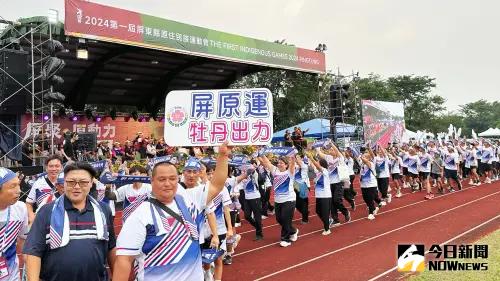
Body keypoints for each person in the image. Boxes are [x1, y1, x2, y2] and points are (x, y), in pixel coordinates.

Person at [112, 143, 231, 281]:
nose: (168, 183)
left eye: (172, 179)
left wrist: (223, 155)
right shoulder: (140, 215)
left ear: (178, 179)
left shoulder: (190, 199)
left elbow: (217, 184)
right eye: (162, 179)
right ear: (152, 181)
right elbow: (124, 260)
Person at [24, 162, 116, 281]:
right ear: (64, 183)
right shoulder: (46, 211)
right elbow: (33, 252)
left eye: (83, 182)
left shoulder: (104, 211)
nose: (77, 186)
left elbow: (111, 248)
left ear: (92, 182)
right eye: (71, 182)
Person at [258, 154, 298, 248]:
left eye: (282, 163)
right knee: (279, 219)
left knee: (285, 218)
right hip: (278, 200)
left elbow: (292, 164)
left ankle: (285, 239)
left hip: (289, 199)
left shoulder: (289, 172)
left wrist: (293, 156)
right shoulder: (275, 170)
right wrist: (262, 152)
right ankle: (293, 231)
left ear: (286, 165)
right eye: (278, 163)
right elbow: (267, 163)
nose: (279, 164)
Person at [0, 168, 29, 281]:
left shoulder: (20, 208)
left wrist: (22, 268)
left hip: (12, 275)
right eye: (13, 186)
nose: (19, 190)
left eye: (18, 185)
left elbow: (23, 239)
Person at [25, 155, 63, 224]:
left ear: (61, 167)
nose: (54, 169)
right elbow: (29, 203)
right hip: (42, 221)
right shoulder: (38, 183)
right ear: (46, 167)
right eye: (51, 166)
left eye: (57, 166)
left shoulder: (67, 182)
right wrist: (31, 216)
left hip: (61, 221)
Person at [305, 152, 332, 235]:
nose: (317, 164)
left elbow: (317, 166)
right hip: (318, 195)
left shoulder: (325, 171)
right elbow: (312, 171)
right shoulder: (318, 173)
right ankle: (328, 220)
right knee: (318, 211)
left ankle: (327, 229)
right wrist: (308, 160)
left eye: (319, 163)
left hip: (325, 195)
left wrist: (312, 158)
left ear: (322, 165)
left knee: (324, 212)